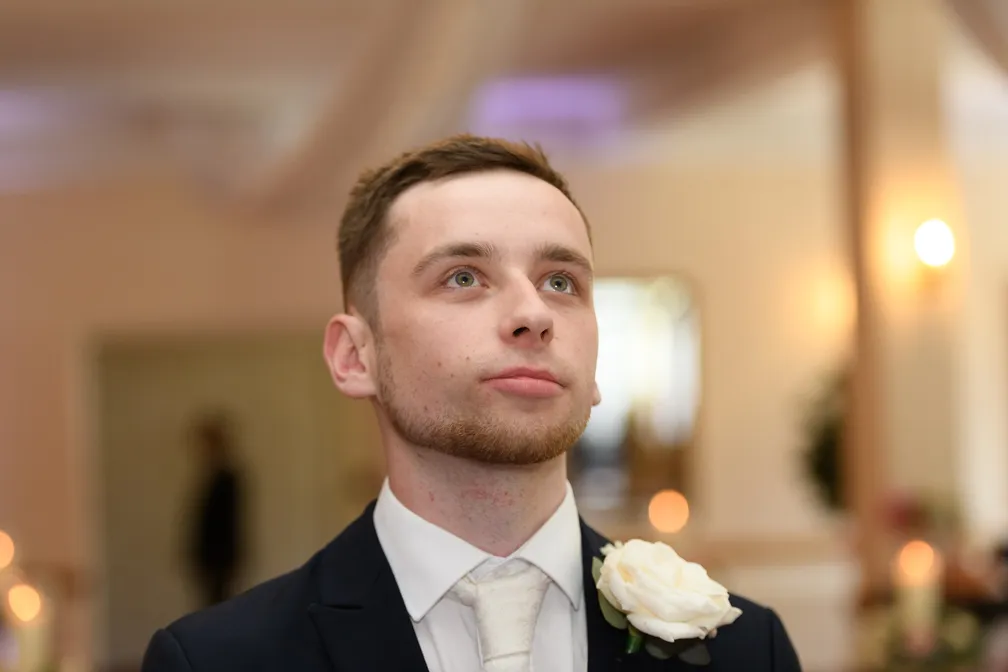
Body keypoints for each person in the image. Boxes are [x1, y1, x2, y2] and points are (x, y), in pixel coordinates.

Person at [142, 135, 802, 671]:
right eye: (464, 277)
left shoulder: (743, 651)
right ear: (354, 356)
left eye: (561, 281)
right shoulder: (220, 660)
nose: (533, 313)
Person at [184, 413, 245, 608]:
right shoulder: (214, 478)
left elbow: (229, 524)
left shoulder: (226, 479)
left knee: (218, 606)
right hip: (213, 559)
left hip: (220, 559)